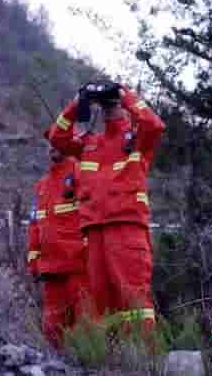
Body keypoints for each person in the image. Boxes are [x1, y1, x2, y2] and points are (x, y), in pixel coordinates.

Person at [46, 81, 165, 346]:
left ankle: (144, 362)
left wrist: (124, 96)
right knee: (100, 304)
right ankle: (109, 361)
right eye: (106, 105)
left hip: (126, 229)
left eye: (113, 105)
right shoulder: (89, 144)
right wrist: (77, 104)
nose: (110, 110)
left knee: (133, 298)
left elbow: (155, 125)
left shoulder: (136, 140)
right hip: (94, 231)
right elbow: (57, 138)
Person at [26, 132, 90, 348]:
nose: (53, 147)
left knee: (84, 327)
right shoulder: (41, 186)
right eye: (50, 144)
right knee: (52, 331)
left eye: (58, 143)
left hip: (79, 267)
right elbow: (35, 225)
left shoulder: (81, 172)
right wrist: (34, 260)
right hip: (51, 270)